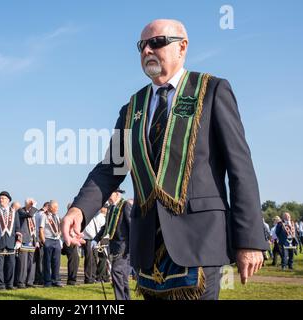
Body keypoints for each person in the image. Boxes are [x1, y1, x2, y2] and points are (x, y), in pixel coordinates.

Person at [62, 19, 268, 300]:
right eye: (141, 46)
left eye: (156, 42)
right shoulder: (132, 107)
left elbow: (240, 167)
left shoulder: (211, 90)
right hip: (147, 244)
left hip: (199, 242)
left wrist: (249, 241)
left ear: (182, 47)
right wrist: (78, 210)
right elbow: (111, 167)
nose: (147, 50)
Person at [92, 189, 131, 300]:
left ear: (117, 193)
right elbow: (106, 226)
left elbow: (131, 226)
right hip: (113, 246)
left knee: (116, 272)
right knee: (122, 277)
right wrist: (96, 239)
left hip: (123, 246)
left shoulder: (125, 205)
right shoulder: (110, 208)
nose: (108, 196)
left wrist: (130, 246)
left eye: (110, 194)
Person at [0, 191, 22, 290]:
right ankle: (1, 285)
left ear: (8, 200)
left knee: (11, 266)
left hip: (11, 243)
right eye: (0, 198)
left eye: (3, 198)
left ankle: (9, 285)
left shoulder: (14, 212)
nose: (1, 200)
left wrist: (19, 241)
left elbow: (18, 228)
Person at [15, 198, 37, 289]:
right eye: (30, 203)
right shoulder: (21, 211)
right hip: (24, 240)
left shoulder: (31, 212)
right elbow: (30, 215)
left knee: (31, 263)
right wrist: (34, 206)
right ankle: (21, 282)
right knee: (23, 263)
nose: (32, 204)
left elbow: (34, 226)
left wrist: (36, 240)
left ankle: (30, 281)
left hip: (31, 239)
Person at [39, 200, 63, 287]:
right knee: (47, 262)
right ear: (50, 207)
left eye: (57, 207)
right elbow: (41, 229)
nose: (57, 209)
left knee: (56, 262)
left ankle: (56, 280)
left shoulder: (56, 215)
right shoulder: (44, 216)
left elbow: (59, 226)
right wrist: (44, 241)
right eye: (55, 207)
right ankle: (47, 281)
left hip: (56, 240)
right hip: (48, 240)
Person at [83, 205, 107, 284]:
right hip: (90, 240)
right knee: (90, 259)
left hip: (98, 240)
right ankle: (89, 278)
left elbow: (103, 229)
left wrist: (98, 239)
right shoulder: (88, 215)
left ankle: (95, 276)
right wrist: (95, 239)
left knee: (97, 259)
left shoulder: (100, 216)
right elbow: (87, 229)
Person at [34, 202, 49, 285]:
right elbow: (41, 229)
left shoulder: (37, 213)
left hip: (37, 239)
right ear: (47, 207)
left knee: (38, 260)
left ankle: (37, 278)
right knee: (41, 260)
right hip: (41, 240)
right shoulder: (42, 214)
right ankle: (40, 278)